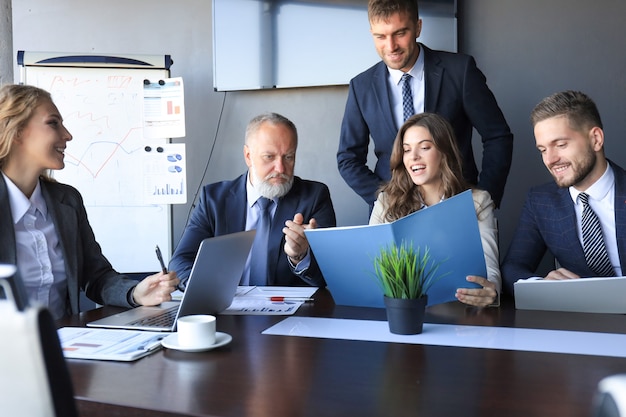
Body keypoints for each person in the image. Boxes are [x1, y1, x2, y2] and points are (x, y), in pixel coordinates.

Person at [0, 84, 179, 319]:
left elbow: (95, 275)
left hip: (63, 344)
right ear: (16, 131)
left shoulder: (67, 201)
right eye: (53, 123)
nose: (67, 135)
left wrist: (135, 293)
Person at [338, 0, 513, 212]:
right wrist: (385, 199)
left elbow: (497, 136)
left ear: (418, 27)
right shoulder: (361, 86)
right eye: (380, 37)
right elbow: (348, 159)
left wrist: (485, 198)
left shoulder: (460, 71)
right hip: (393, 213)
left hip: (458, 204)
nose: (391, 46)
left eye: (400, 33)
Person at [169, 112, 336, 288]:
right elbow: (181, 261)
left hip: (291, 312)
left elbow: (328, 273)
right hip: (225, 308)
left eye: (288, 157)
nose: (280, 168)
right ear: (248, 156)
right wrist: (205, 289)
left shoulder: (314, 197)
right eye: (269, 157)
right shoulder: (214, 200)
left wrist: (300, 256)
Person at [370, 112, 500, 307]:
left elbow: (489, 267)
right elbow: (370, 263)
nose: (413, 157)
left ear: (444, 152)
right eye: (406, 150)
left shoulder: (477, 201)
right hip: (402, 311)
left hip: (460, 311)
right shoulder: (386, 201)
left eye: (424, 147)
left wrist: (491, 290)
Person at [502, 90, 626, 294]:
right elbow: (511, 268)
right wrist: (541, 285)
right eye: (542, 150)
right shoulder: (540, 202)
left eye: (560, 145)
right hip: (577, 319)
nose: (550, 160)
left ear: (596, 139)